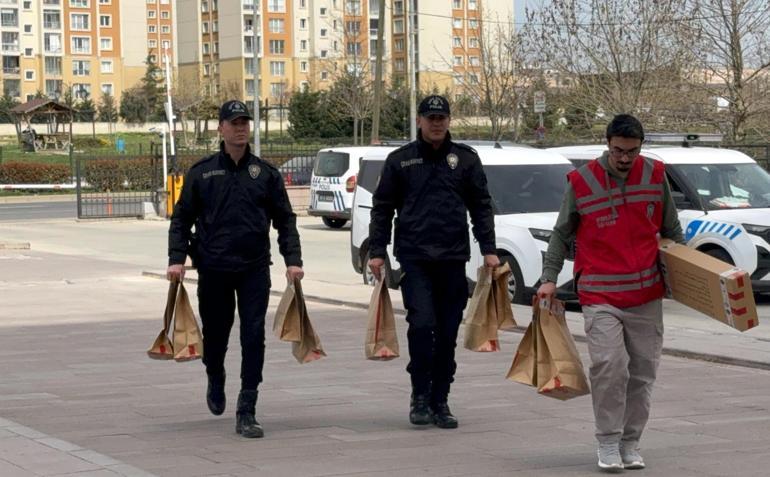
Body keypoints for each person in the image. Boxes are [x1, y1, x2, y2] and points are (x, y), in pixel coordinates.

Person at [537, 114, 684, 471]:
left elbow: (672, 231)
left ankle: (630, 443)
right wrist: (549, 276)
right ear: (607, 144)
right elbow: (561, 233)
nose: (624, 159)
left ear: (641, 148)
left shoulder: (655, 175)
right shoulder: (582, 181)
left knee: (643, 373)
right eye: (618, 151)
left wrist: (686, 275)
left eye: (632, 152)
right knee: (609, 366)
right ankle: (607, 441)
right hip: (600, 292)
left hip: (645, 294)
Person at [167, 100, 303, 439]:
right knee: (215, 336)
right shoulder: (203, 172)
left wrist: (293, 261)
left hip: (254, 268)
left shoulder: (266, 174)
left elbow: (285, 220)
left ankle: (247, 408)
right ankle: (215, 374)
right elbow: (181, 218)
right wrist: (176, 259)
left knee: (253, 335)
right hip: (213, 268)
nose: (241, 127)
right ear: (221, 129)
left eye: (245, 122)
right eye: (234, 122)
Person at [368, 95, 499, 429]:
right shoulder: (401, 160)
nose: (437, 123)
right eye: (431, 117)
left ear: (449, 120)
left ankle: (441, 399)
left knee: (447, 332)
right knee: (422, 325)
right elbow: (382, 207)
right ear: (420, 121)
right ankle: (419, 396)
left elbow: (481, 206)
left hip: (453, 257)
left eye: (442, 117)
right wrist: (377, 251)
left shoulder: (465, 159)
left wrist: (489, 249)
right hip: (415, 258)